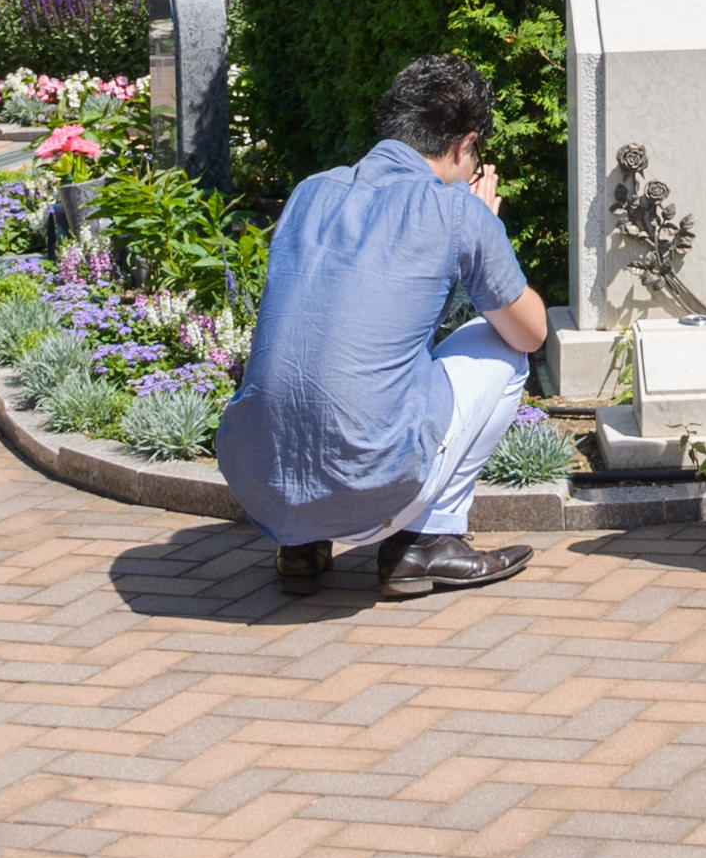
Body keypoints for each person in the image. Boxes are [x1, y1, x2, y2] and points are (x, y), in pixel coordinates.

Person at [215, 53, 550, 601]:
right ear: (466, 145)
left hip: (263, 488)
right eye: (477, 154)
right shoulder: (458, 211)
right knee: (500, 349)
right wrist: (487, 230)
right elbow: (529, 332)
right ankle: (428, 542)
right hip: (370, 484)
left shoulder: (311, 192)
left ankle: (304, 542)